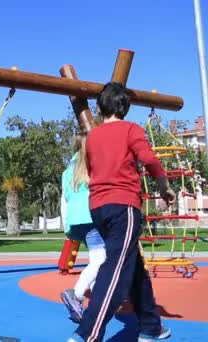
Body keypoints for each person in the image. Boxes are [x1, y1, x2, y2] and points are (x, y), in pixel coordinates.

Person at [68, 82, 176, 342]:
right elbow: (149, 159)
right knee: (114, 271)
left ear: (99, 106)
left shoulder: (91, 137)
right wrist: (165, 188)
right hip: (123, 206)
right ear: (125, 107)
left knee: (134, 267)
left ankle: (150, 326)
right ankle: (87, 335)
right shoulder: (131, 129)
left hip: (98, 208)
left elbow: (95, 170)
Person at [60, 134, 106, 323]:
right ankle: (76, 294)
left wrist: (66, 225)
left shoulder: (67, 171)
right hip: (91, 216)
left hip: (76, 220)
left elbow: (64, 199)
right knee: (101, 259)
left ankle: (98, 298)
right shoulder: (92, 164)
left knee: (97, 259)